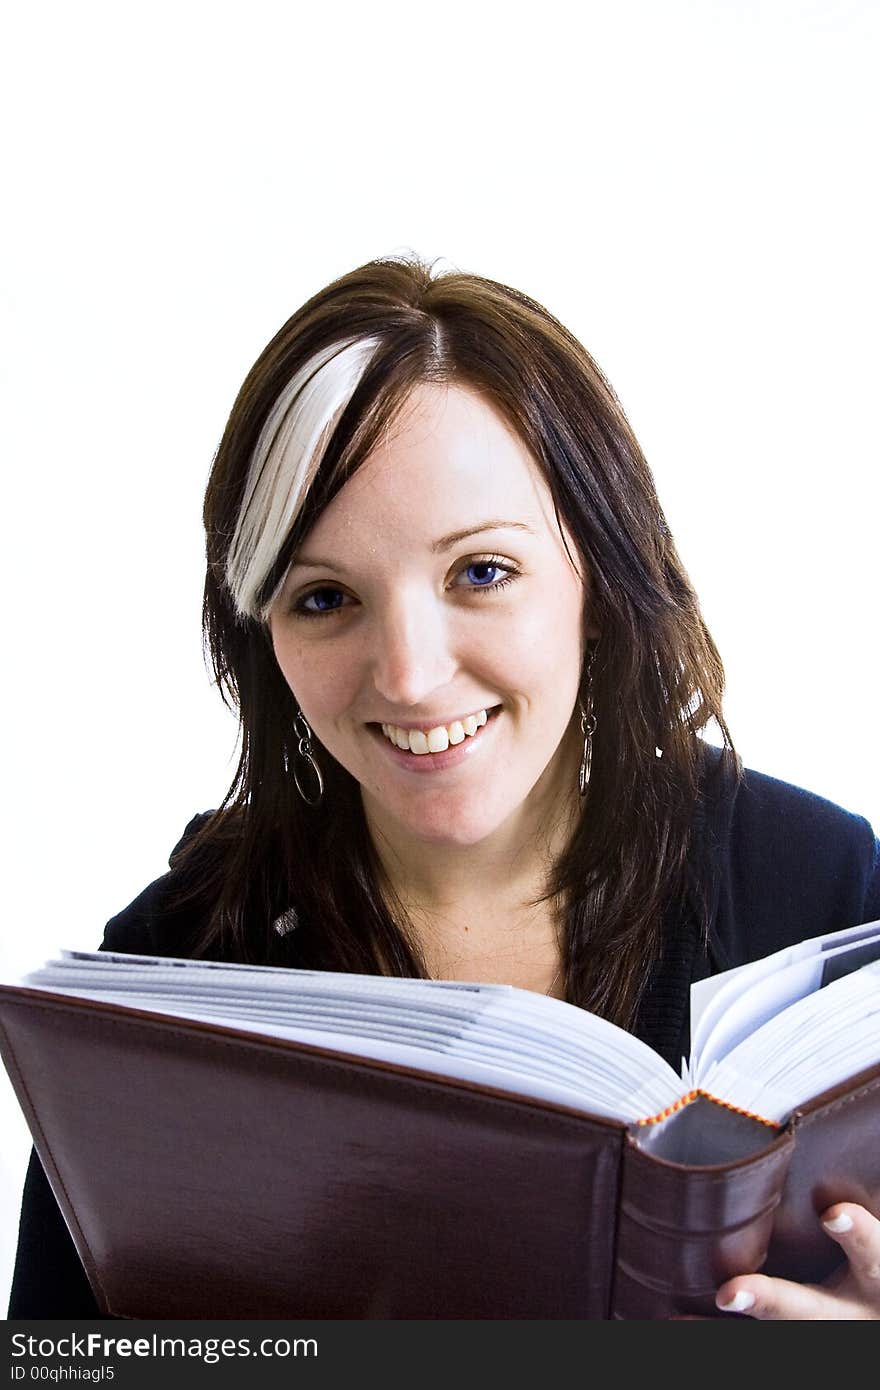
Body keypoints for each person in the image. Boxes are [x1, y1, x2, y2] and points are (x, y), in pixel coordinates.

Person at [8, 255, 880, 1320]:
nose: (410, 675)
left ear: (597, 579)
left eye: (480, 572)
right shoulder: (173, 970)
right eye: (324, 597)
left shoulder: (823, 886)